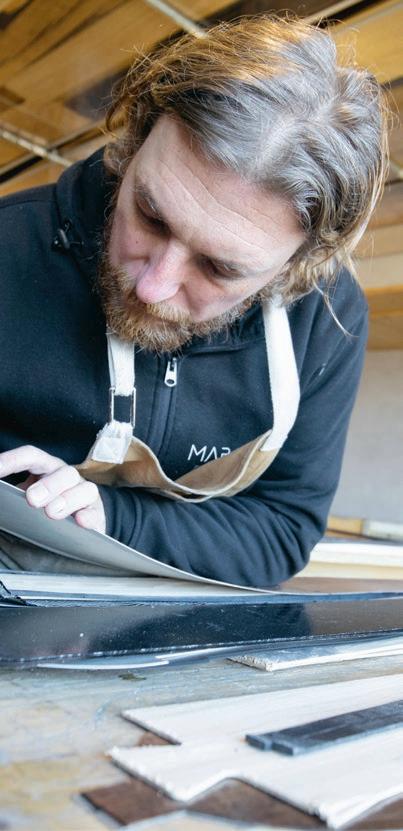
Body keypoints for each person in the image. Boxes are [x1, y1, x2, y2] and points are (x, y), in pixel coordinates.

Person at [0, 16, 388, 586]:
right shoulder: (8, 247)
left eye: (220, 267)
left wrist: (111, 515)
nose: (152, 287)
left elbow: (283, 527)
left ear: (297, 265)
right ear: (133, 143)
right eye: (150, 215)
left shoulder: (327, 320)